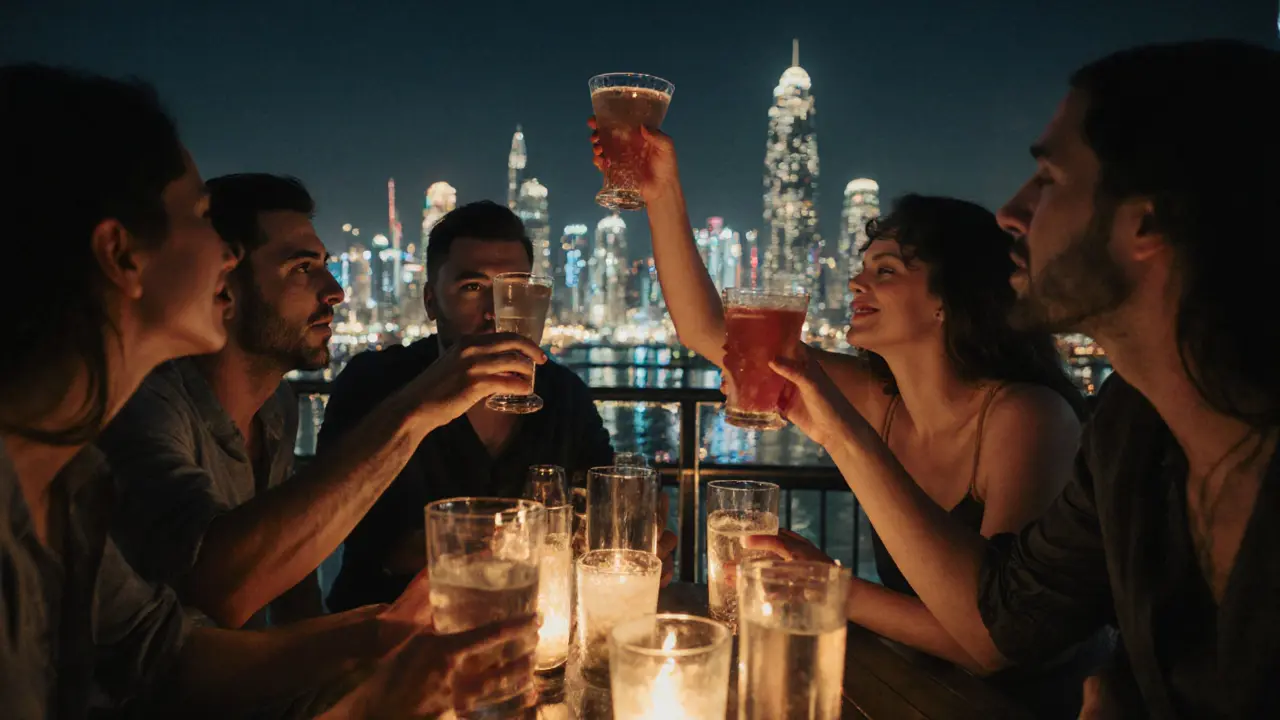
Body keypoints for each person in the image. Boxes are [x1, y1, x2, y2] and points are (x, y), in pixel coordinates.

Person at [0, 64, 535, 719]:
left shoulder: (69, 476)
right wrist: (370, 705)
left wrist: (381, 635)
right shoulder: (120, 429)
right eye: (201, 219)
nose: (224, 256)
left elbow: (162, 653)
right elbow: (214, 591)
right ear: (121, 254)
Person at [766, 40, 1280, 717]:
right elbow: (1012, 619)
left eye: (1049, 180)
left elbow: (998, 647)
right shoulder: (1127, 427)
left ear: (1147, 221)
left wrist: (838, 437)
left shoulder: (1048, 417)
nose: (1011, 212)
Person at [589, 128, 1109, 715]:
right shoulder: (881, 399)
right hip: (927, 692)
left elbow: (993, 645)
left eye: (886, 271)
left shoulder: (1026, 417)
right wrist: (662, 192)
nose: (857, 283)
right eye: (862, 268)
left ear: (950, 298)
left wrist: (828, 582)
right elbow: (709, 332)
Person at [98, 174, 543, 632]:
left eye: (324, 265)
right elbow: (217, 590)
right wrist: (419, 405)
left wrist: (362, 652)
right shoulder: (141, 406)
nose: (335, 290)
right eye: (301, 268)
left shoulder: (275, 408)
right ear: (223, 284)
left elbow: (292, 591)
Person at [323, 200, 678, 611]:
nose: (497, 312)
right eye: (473, 288)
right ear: (431, 301)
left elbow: (601, 506)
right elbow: (364, 538)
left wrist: (632, 538)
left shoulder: (564, 394)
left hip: (533, 627)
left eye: (516, 290)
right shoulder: (374, 383)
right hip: (383, 628)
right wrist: (523, 540)